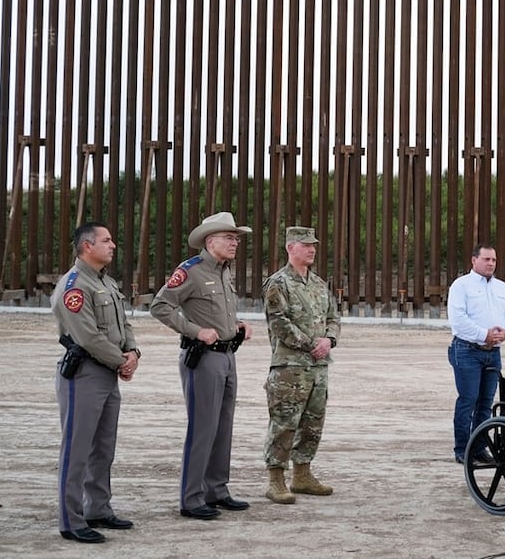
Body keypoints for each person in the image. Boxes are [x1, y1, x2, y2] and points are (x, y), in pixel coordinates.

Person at [150, 211, 254, 519]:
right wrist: (195, 331)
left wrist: (236, 325)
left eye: (236, 238)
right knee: (202, 428)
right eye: (229, 238)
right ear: (210, 241)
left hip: (226, 356)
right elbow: (160, 306)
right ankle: (192, 498)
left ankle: (216, 490)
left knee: (223, 427)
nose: (235, 243)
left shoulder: (224, 271)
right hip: (203, 358)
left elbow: (215, 313)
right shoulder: (190, 270)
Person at [52, 222, 140, 544]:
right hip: (85, 375)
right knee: (77, 450)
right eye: (106, 240)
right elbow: (88, 336)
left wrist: (133, 352)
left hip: (107, 373)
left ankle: (98, 509)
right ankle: (71, 520)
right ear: (87, 246)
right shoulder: (74, 285)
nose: (112, 244)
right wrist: (121, 362)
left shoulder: (107, 282)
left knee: (103, 449)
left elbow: (123, 324)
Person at [261, 226, 339, 504]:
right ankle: (276, 479)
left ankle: (302, 475)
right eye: (305, 244)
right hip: (289, 368)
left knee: (312, 423)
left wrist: (329, 340)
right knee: (284, 423)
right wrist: (311, 344)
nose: (312, 249)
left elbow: (334, 316)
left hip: (318, 367)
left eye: (313, 244)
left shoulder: (318, 284)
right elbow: (280, 323)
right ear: (290, 248)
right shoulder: (278, 284)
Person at [446, 244, 505, 464]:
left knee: (486, 403)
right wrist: (483, 334)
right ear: (473, 260)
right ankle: (462, 449)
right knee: (468, 400)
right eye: (486, 259)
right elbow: (458, 319)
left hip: (493, 352)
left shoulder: (502, 288)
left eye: (494, 260)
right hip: (467, 349)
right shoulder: (461, 286)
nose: (490, 264)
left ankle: (479, 447)